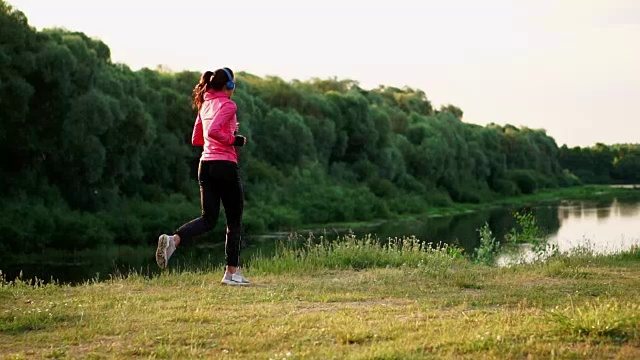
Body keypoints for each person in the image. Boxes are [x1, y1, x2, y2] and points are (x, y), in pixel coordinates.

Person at [155, 67, 249, 286]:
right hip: (224, 165)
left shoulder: (204, 104)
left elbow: (197, 138)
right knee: (234, 220)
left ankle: (173, 240)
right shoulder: (228, 104)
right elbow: (213, 132)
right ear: (230, 86)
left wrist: (221, 137)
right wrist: (234, 139)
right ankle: (231, 273)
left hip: (205, 165)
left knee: (208, 219)